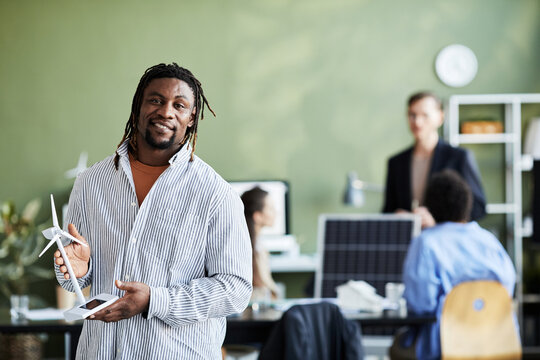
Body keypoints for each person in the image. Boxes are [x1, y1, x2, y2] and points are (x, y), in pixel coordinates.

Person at [53, 63, 252, 359]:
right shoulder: (90, 182)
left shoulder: (215, 194)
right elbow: (75, 280)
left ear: (191, 121)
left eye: (179, 105)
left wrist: (155, 301)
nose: (166, 111)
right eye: (156, 100)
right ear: (137, 109)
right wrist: (75, 270)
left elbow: (235, 289)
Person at [390, 170, 516, 360]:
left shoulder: (426, 243)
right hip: (497, 342)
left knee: (397, 348)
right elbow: (507, 289)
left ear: (430, 207)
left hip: (443, 347)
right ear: (467, 204)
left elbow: (420, 304)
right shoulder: (489, 240)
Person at [382, 92, 486, 228]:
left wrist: (437, 222)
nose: (417, 122)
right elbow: (387, 210)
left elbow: (478, 208)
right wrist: (397, 217)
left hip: (445, 242)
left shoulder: (459, 157)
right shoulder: (396, 163)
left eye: (425, 115)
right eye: (412, 115)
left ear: (440, 118)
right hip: (409, 242)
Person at [241, 186, 280, 300]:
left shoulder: (258, 244)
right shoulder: (248, 248)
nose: (276, 213)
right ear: (257, 216)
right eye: (271, 208)